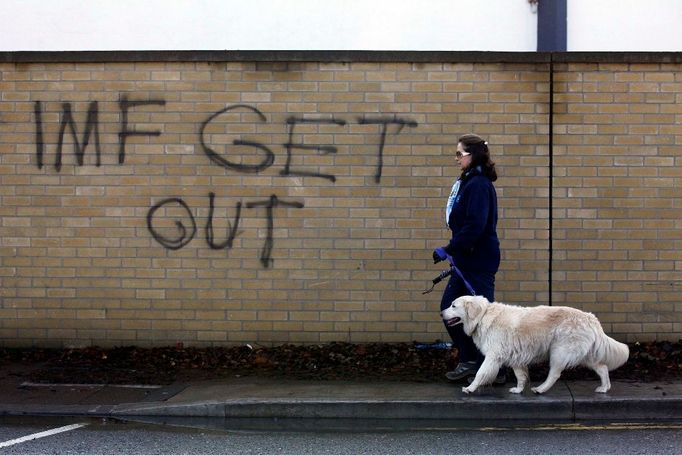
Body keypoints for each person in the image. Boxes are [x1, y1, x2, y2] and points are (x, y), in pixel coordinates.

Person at [432, 133, 504, 383]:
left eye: (459, 154)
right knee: (450, 311)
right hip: (467, 260)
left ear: (472, 156)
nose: (456, 159)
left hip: (478, 260)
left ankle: (492, 368)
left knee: (485, 319)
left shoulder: (479, 185)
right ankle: (472, 360)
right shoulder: (469, 182)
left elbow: (475, 225)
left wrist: (449, 248)